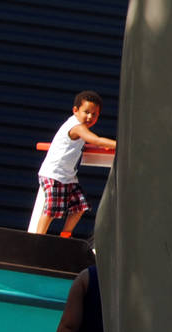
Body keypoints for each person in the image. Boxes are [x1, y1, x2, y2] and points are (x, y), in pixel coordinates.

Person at [33, 91, 115, 236]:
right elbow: (95, 140)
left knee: (80, 206)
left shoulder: (79, 126)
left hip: (67, 176)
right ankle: (38, 238)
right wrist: (119, 144)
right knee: (51, 208)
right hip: (54, 173)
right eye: (87, 112)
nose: (90, 117)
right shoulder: (76, 126)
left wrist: (104, 145)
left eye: (94, 114)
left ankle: (65, 235)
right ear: (75, 111)